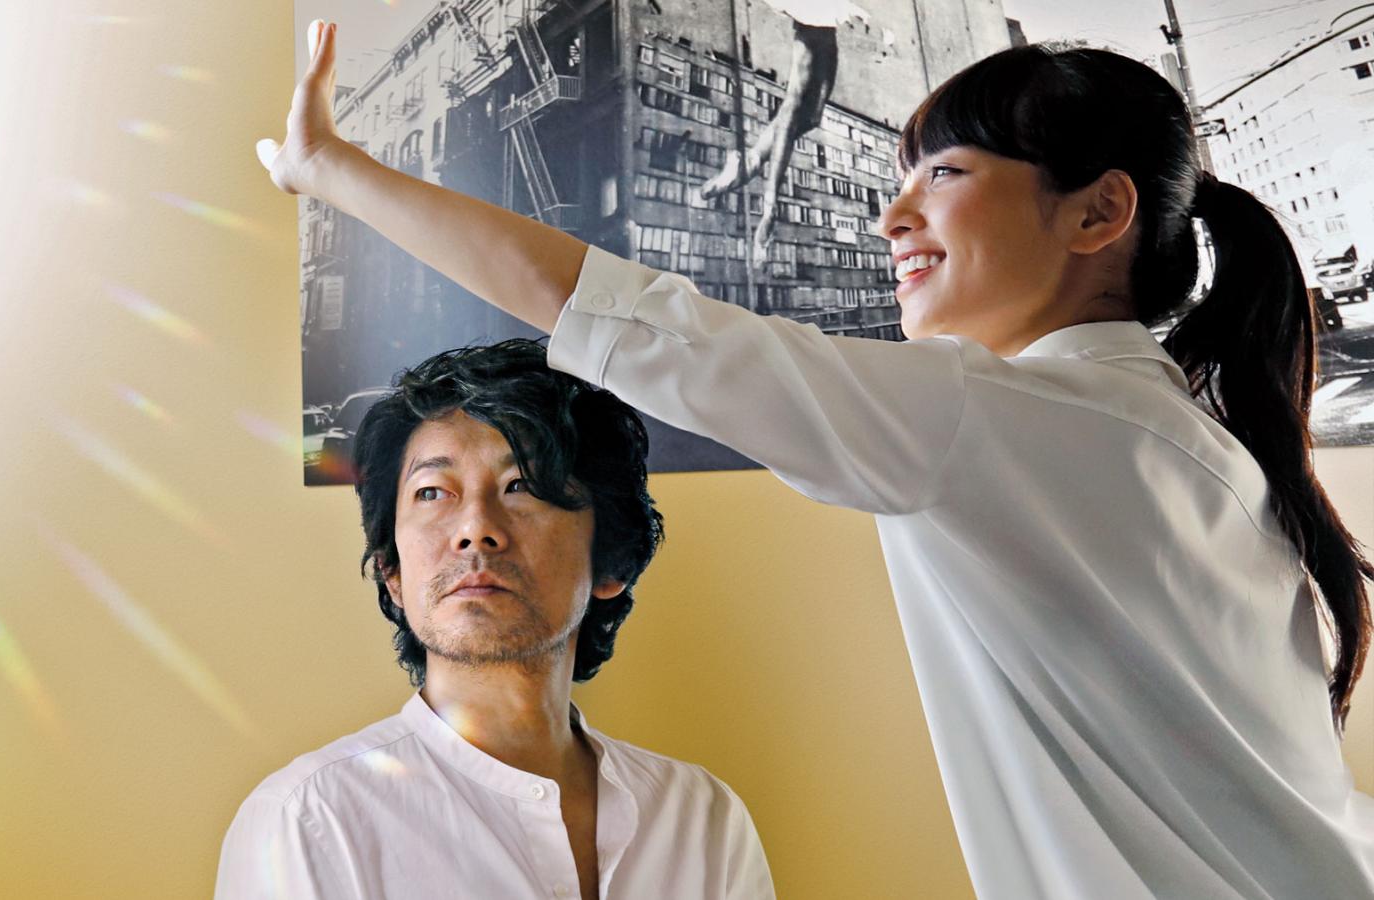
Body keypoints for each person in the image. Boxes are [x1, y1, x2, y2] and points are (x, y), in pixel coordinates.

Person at [258, 22, 1374, 899]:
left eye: (942, 174)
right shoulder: (1191, 437)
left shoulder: (995, 420)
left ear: (1098, 213)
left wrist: (332, 170)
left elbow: (619, 315)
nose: (891, 218)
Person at [214, 340, 774, 899]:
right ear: (392, 571)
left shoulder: (702, 820)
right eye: (433, 492)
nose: (475, 528)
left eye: (522, 485)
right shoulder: (310, 821)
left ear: (611, 563)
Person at [697, 0, 869, 267]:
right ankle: (770, 202)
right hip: (814, 20)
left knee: (811, 117)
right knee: (794, 102)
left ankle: (750, 162)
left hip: (824, 24)